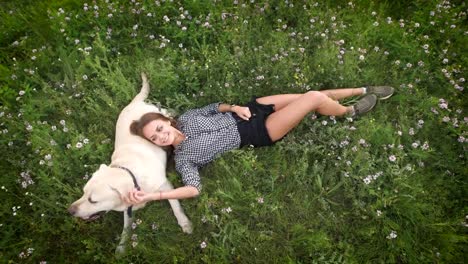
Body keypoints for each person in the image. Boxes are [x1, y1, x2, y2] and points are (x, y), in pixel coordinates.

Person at [124, 86, 394, 205]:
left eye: (159, 129)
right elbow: (193, 189)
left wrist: (234, 106)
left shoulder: (186, 118)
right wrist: (151, 196)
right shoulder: (184, 159)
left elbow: (212, 107)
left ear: (165, 120)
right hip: (258, 131)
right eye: (154, 139)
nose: (161, 137)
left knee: (311, 95)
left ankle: (362, 89)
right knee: (312, 97)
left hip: (251, 110)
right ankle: (349, 113)